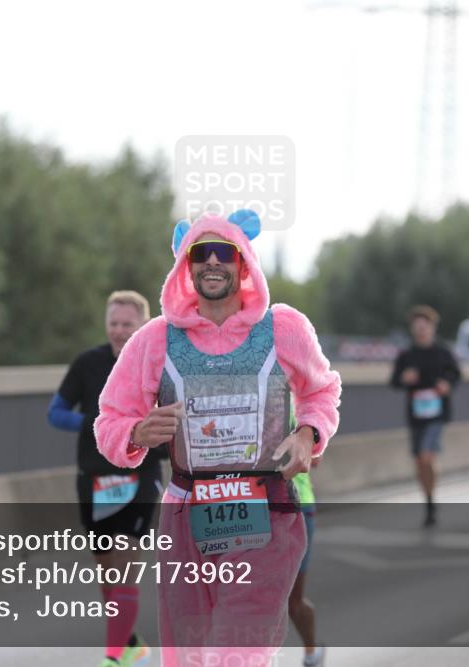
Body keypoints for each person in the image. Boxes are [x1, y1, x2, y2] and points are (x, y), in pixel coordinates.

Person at [94, 210, 342, 667]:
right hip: (187, 513)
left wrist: (308, 436)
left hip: (264, 512)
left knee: (234, 653)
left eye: (223, 253)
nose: (212, 262)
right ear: (184, 267)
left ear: (243, 262)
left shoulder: (283, 329)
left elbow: (322, 390)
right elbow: (109, 420)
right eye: (199, 253)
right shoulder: (155, 341)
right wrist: (136, 431)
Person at [48, 290, 162, 667]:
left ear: (143, 324)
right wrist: (98, 426)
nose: (119, 331)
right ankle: (131, 644)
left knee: (125, 569)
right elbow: (55, 412)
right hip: (95, 481)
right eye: (113, 324)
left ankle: (114, 658)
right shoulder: (87, 364)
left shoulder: (161, 364)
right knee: (108, 574)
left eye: (126, 324)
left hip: (140, 477)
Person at [389, 305, 461, 526]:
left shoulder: (443, 352)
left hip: (438, 413)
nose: (421, 330)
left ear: (432, 328)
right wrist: (404, 379)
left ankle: (431, 502)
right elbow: (393, 382)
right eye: (417, 326)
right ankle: (429, 500)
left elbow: (457, 375)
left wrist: (446, 384)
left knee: (427, 455)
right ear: (413, 329)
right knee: (420, 460)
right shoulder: (406, 355)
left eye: (425, 325)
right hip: (416, 414)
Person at [289, 467, 324, 667]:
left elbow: (316, 456)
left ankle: (312, 655)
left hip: (296, 505)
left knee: (293, 601)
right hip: (245, 506)